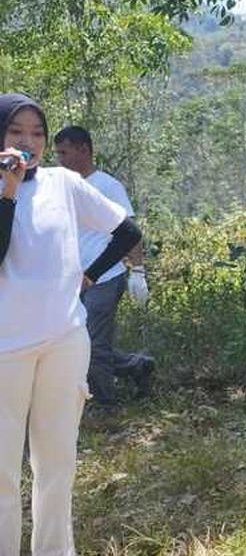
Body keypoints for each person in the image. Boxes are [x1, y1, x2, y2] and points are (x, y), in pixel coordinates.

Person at [0, 93, 142, 556]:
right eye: (17, 132)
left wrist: (89, 273)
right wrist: (9, 192)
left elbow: (127, 229)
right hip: (5, 350)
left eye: (37, 133)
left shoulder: (64, 183)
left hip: (64, 340)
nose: (28, 142)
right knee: (2, 469)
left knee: (56, 458)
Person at [54, 126, 155, 406]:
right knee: (74, 341)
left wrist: (138, 271)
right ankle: (136, 365)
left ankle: (107, 405)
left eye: (64, 152)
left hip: (105, 277)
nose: (60, 159)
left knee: (94, 344)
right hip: (75, 279)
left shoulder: (107, 186)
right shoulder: (63, 187)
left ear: (83, 149)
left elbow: (129, 231)